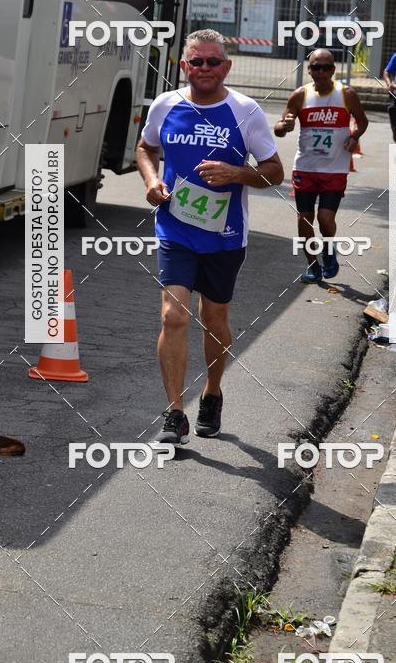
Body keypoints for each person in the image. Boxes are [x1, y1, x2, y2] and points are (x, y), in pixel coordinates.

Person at [136, 29, 284, 444]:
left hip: (225, 235)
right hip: (175, 228)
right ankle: (174, 412)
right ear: (184, 66)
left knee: (214, 321)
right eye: (196, 61)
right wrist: (151, 181)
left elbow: (275, 171)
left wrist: (236, 173)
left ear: (226, 66)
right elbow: (145, 148)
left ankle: (212, 391)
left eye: (213, 61)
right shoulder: (166, 105)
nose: (204, 68)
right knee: (173, 316)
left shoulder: (245, 111)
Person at [274, 49, 368, 283]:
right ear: (309, 70)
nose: (321, 72)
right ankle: (313, 266)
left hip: (334, 168)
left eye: (326, 67)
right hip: (305, 167)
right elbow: (279, 127)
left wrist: (354, 136)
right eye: (316, 67)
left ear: (333, 70)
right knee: (304, 219)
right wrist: (284, 125)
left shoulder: (346, 94)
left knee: (326, 219)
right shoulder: (299, 95)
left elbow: (363, 121)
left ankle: (328, 251)